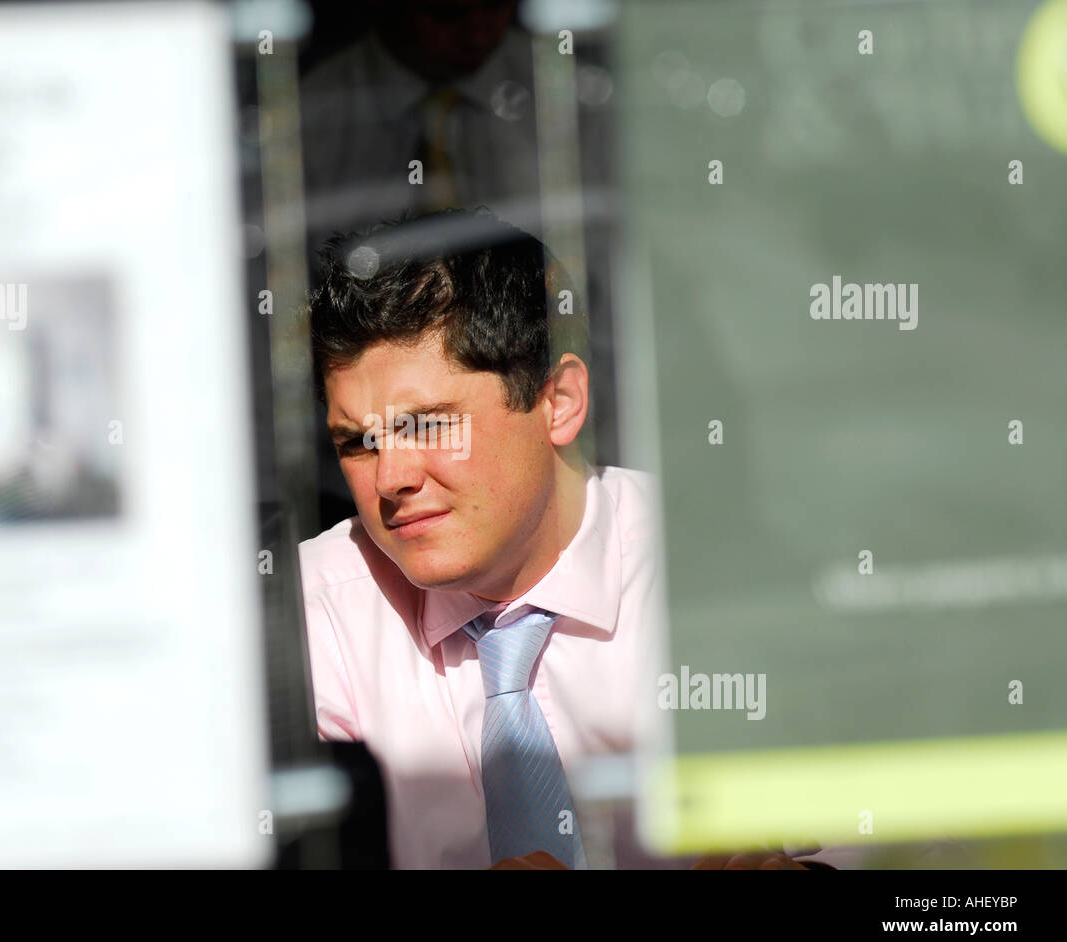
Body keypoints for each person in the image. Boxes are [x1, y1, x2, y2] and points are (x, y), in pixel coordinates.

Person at [297, 206, 815, 869]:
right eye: (357, 443)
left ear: (561, 402)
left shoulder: (729, 580)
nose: (391, 477)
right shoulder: (309, 619)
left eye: (429, 426)